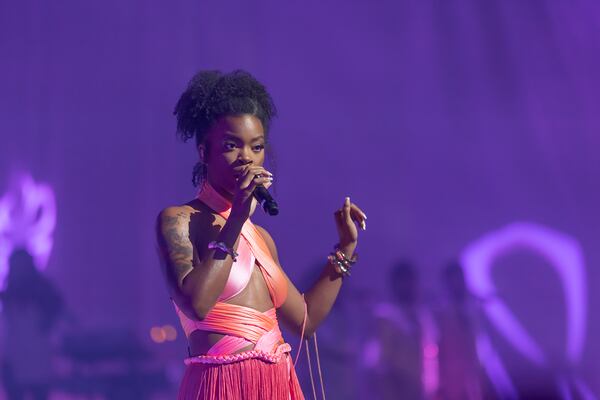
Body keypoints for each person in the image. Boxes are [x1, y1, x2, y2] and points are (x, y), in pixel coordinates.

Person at [156, 70, 367, 399]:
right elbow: (197, 303)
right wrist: (237, 217)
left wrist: (346, 246)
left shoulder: (262, 239)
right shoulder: (178, 220)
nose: (246, 158)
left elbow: (304, 321)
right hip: (220, 387)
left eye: (256, 147)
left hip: (276, 386)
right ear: (203, 152)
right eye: (231, 145)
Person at [1, 249, 64, 400]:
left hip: (36, 359)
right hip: (15, 359)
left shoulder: (44, 292)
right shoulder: (10, 293)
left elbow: (54, 314)